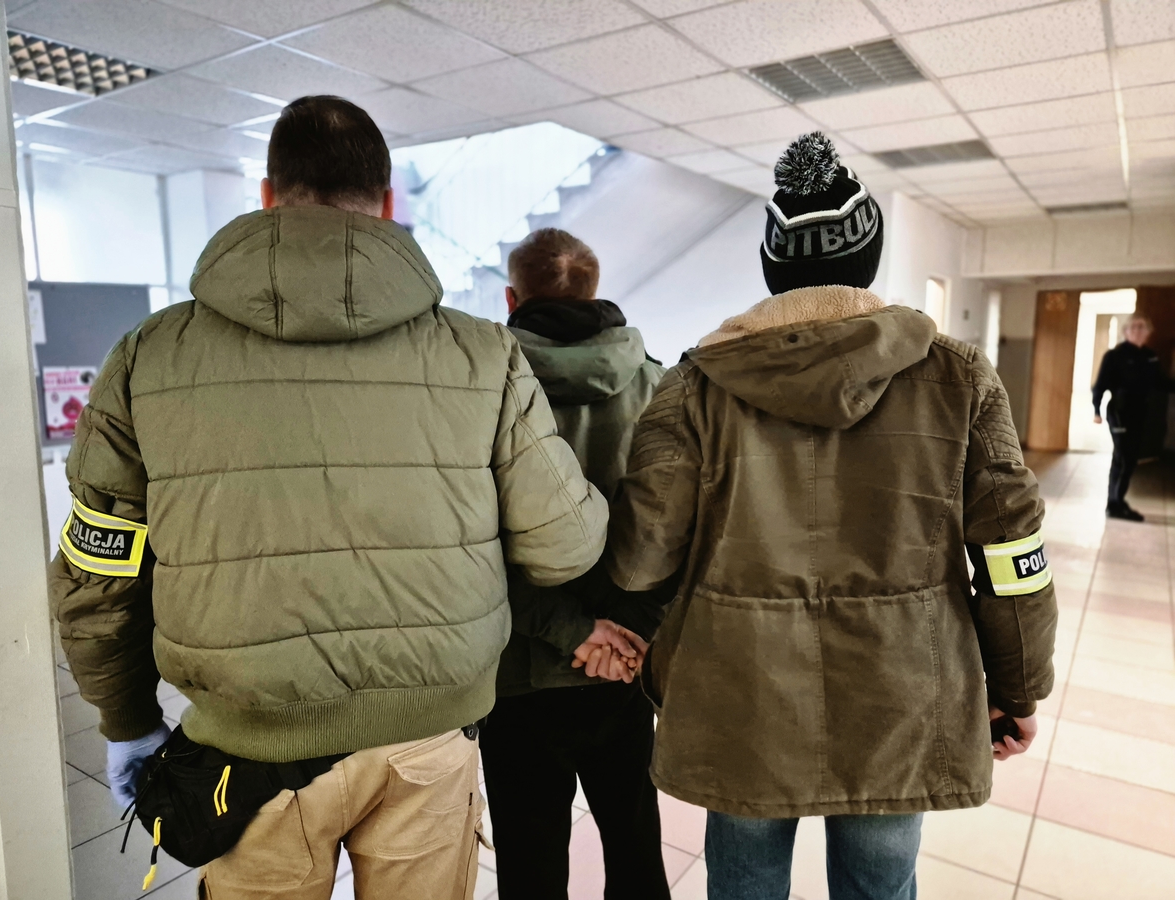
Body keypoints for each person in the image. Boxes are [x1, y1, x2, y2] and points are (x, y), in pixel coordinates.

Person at [48, 96, 608, 900]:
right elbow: (564, 547)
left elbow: (97, 574)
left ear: (268, 195)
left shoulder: (149, 353)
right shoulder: (484, 353)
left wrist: (126, 720)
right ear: (385, 203)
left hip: (245, 754)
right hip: (428, 736)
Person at [604, 133, 1059, 900]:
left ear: (772, 266)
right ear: (867, 259)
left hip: (742, 694)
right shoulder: (959, 377)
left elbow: (643, 554)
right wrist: (1019, 686)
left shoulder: (694, 387)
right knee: (880, 885)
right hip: (901, 695)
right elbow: (1013, 549)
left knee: (743, 883)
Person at [479, 228, 670, 900]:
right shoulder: (659, 384)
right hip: (625, 667)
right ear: (594, 291)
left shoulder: (480, 388)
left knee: (530, 867)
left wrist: (571, 631)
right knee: (637, 851)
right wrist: (627, 629)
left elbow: (472, 546)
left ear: (512, 298)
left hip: (517, 671)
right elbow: (677, 533)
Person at [1093, 313, 1163, 521]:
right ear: (1125, 331)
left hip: (1140, 413)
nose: (1137, 330)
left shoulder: (1150, 356)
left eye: (1141, 327)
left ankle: (1117, 500)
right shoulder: (1115, 355)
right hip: (1119, 412)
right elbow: (1100, 385)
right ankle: (1114, 505)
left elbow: (1161, 382)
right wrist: (1096, 410)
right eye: (1133, 327)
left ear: (1148, 332)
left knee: (1130, 460)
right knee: (1122, 459)